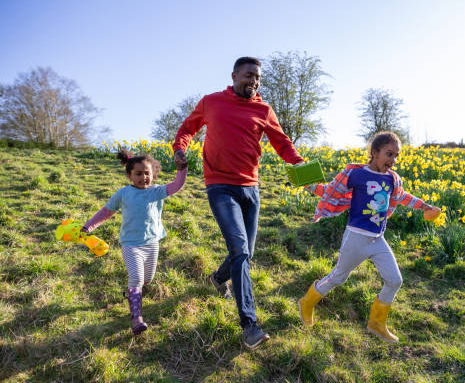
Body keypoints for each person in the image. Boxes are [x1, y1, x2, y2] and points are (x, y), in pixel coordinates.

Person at [172, 56, 304, 349]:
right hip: (220, 186)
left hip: (251, 188)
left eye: (257, 77)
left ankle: (218, 279)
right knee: (241, 251)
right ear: (233, 75)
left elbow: (282, 143)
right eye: (248, 75)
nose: (253, 81)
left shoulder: (264, 109)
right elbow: (186, 130)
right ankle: (250, 325)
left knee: (247, 252)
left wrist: (299, 164)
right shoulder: (211, 102)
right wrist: (180, 150)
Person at [298, 131, 441, 343]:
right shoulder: (355, 174)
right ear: (374, 153)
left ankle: (376, 324)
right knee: (338, 277)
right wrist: (305, 182)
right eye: (389, 154)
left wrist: (425, 206)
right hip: (355, 238)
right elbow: (330, 191)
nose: (393, 160)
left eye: (396, 156)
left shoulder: (393, 179)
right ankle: (308, 302)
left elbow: (402, 197)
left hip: (377, 239)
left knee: (395, 280)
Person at [81, 150, 187, 335]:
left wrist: (182, 170)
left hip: (152, 243)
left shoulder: (157, 191)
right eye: (138, 173)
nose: (143, 177)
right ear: (129, 175)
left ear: (153, 174)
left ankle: (132, 293)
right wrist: (89, 227)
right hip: (131, 245)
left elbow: (177, 186)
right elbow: (106, 212)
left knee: (148, 279)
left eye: (147, 173)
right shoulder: (123, 193)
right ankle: (136, 318)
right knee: (137, 278)